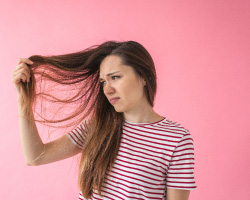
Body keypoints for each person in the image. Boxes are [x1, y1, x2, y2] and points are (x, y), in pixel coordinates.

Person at [11, 40, 197, 200]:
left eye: (115, 77)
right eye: (103, 82)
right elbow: (35, 156)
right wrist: (24, 100)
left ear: (144, 76)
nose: (107, 90)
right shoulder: (97, 126)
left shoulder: (176, 139)